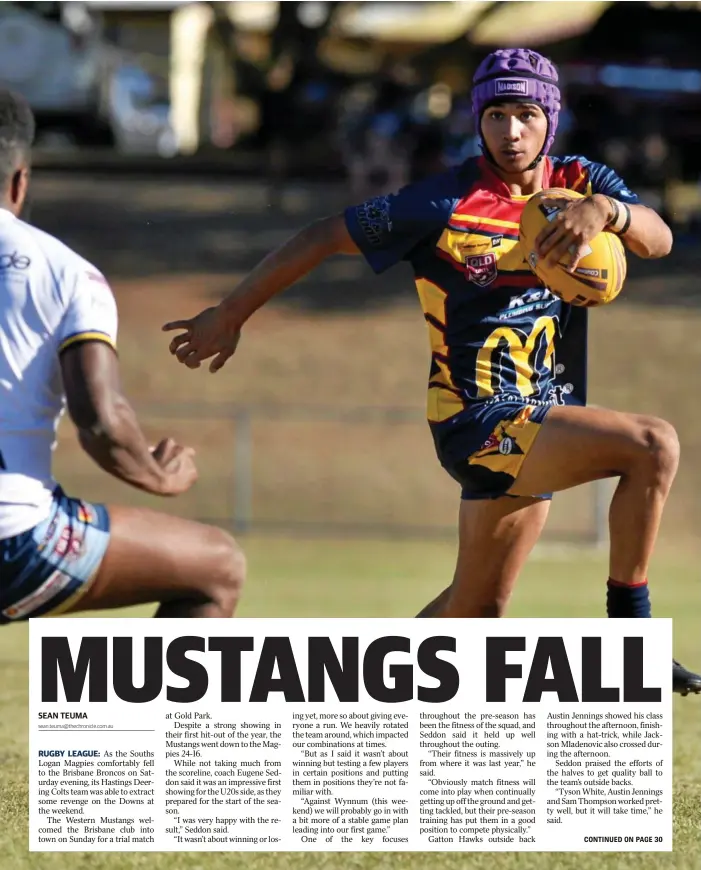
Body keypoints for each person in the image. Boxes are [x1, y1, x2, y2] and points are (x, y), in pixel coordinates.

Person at [163, 49, 700, 695]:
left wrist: (604, 212)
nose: (509, 131)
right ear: (477, 120)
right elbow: (320, 236)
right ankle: (630, 638)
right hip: (475, 420)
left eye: (525, 114)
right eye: (495, 114)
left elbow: (658, 237)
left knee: (474, 612)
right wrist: (230, 312)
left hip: (539, 418)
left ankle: (350, 717)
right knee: (652, 445)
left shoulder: (582, 180)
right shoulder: (442, 200)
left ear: (548, 120)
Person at [0, 88, 246, 624]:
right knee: (218, 567)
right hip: (12, 539)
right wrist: (161, 477)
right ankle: (150, 714)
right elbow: (100, 419)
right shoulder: (65, 272)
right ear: (20, 179)